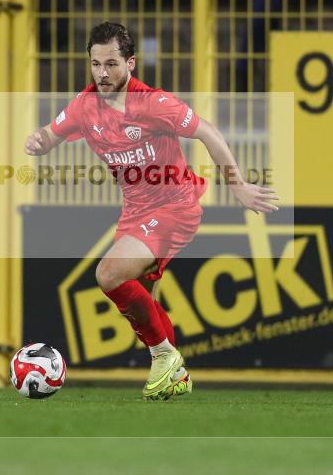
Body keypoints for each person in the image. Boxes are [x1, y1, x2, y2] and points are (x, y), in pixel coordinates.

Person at [24, 22, 279, 400]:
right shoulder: (84, 106)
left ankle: (164, 356)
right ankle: (174, 376)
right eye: (95, 64)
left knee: (108, 273)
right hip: (136, 214)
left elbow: (208, 132)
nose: (102, 73)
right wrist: (39, 141)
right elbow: (51, 133)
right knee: (143, 302)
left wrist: (237, 184)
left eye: (111, 63)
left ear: (131, 63)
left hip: (175, 206)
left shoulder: (154, 104)